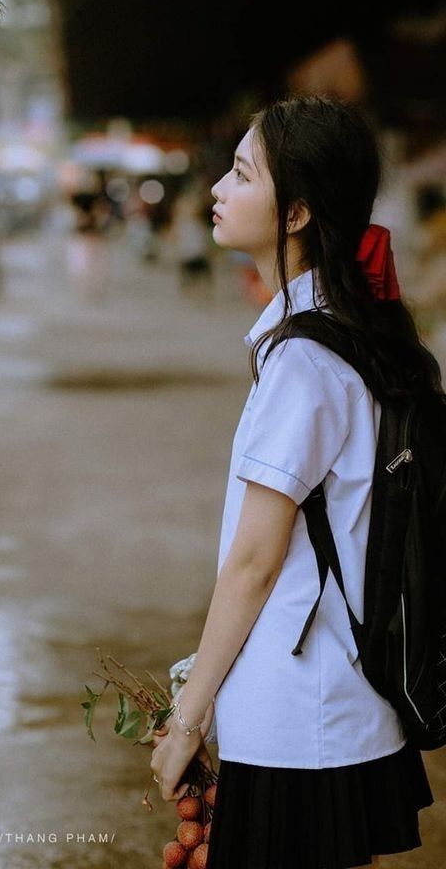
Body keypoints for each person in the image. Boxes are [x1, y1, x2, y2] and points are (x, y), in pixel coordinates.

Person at [150, 97, 436, 869]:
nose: (216, 188)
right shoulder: (354, 335)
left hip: (298, 720)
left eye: (241, 174)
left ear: (298, 212)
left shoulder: (305, 365)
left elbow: (254, 562)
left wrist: (185, 718)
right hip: (343, 702)